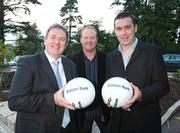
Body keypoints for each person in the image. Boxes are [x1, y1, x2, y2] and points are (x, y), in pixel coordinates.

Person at [106, 12, 169, 132]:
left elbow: (163, 85)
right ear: (115, 31)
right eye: (119, 29)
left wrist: (141, 95)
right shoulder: (110, 57)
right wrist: (108, 97)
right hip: (118, 122)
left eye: (127, 27)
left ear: (135, 28)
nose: (123, 33)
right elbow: (108, 84)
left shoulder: (152, 52)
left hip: (145, 121)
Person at [8, 23, 78, 133]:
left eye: (62, 39)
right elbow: (15, 101)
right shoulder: (28, 63)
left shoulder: (71, 65)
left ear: (66, 44)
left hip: (68, 128)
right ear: (45, 40)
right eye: (53, 37)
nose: (57, 42)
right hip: (38, 128)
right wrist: (52, 99)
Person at [68, 26, 110, 133]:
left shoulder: (107, 59)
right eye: (86, 37)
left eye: (92, 37)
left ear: (96, 39)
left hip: (102, 110)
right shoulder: (70, 60)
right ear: (81, 40)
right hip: (81, 113)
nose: (89, 40)